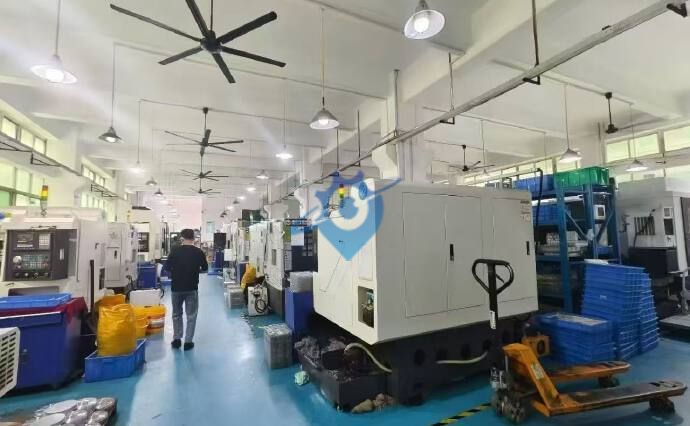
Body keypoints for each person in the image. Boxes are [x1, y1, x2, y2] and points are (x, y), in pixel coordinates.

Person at [163, 228, 208, 350]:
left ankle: (177, 340)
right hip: (191, 288)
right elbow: (205, 268)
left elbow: (166, 268)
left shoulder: (174, 251)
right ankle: (188, 342)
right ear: (193, 238)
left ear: (182, 238)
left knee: (176, 314)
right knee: (191, 315)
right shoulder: (198, 252)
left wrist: (176, 270)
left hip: (176, 288)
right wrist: (195, 269)